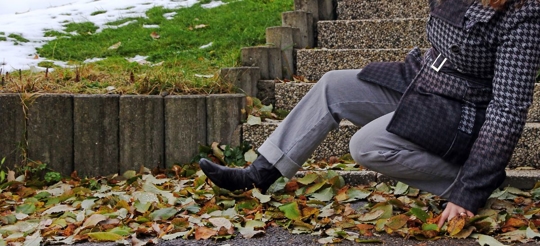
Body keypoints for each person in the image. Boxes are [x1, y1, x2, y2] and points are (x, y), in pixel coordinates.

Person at [200, 0, 540, 228]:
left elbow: (507, 110)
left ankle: (469, 181)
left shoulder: (525, 14)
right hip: (424, 82)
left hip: (462, 116)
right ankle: (259, 174)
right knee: (333, 85)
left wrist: (471, 189)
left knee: (366, 145)